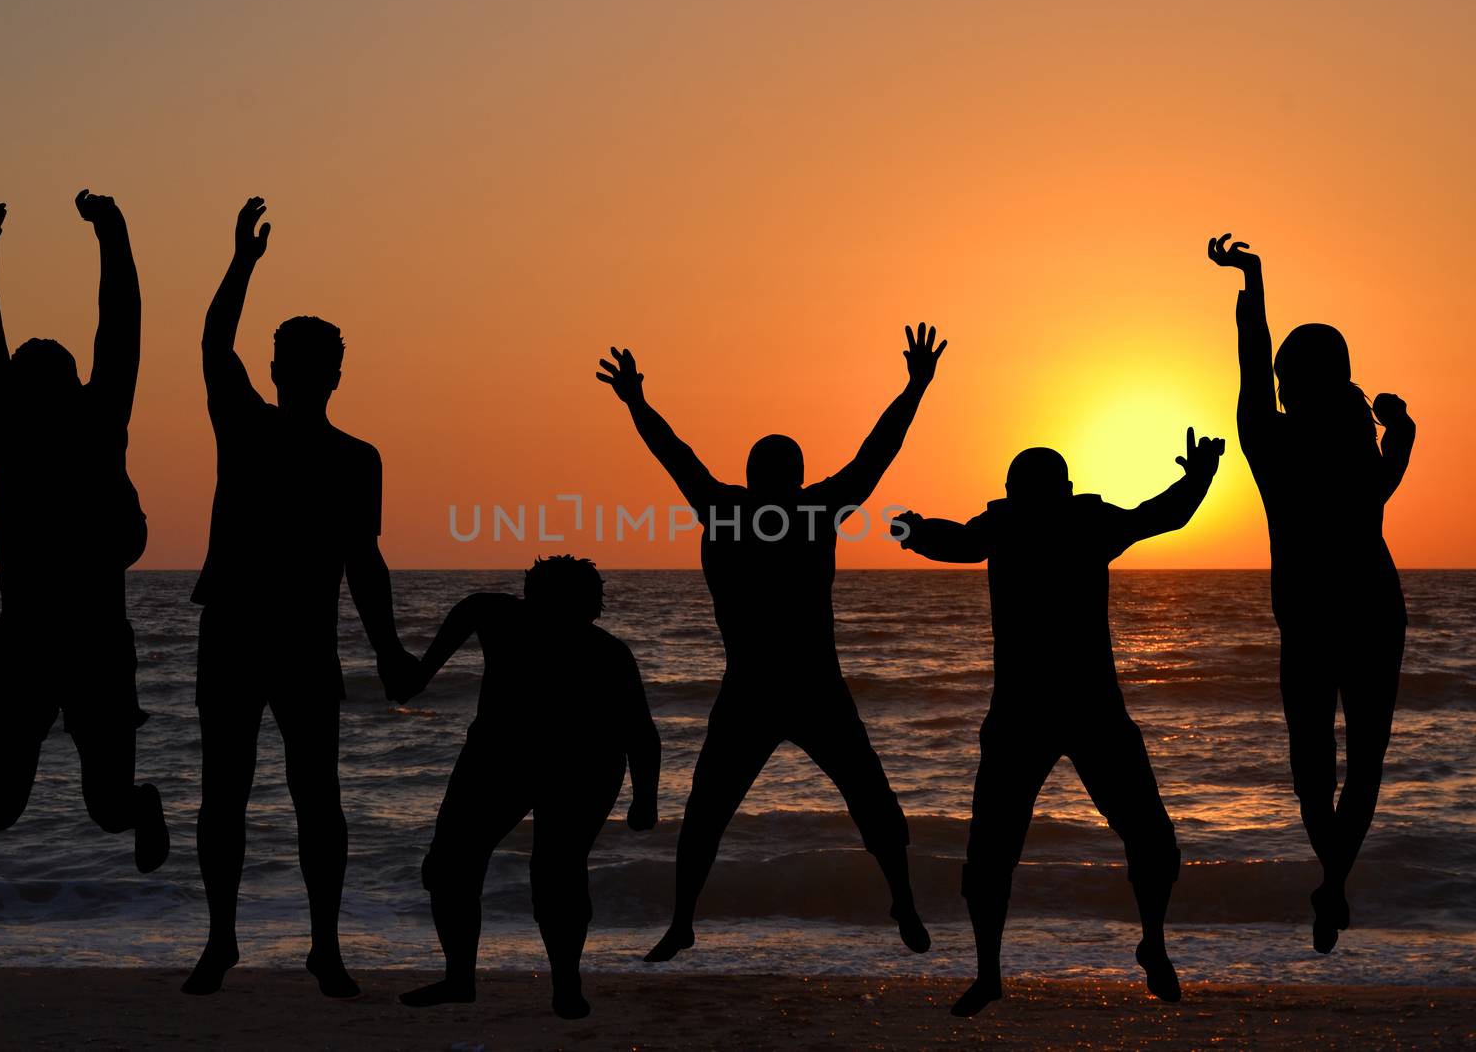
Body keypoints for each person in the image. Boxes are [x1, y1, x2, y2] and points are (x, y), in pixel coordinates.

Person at [596, 324, 945, 964]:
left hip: (802, 688)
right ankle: (683, 923)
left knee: (866, 802)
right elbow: (873, 454)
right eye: (779, 470)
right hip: (766, 689)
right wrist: (914, 386)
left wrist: (637, 402)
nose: (784, 480)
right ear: (770, 474)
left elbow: (873, 455)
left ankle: (901, 899)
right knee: (710, 811)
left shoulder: (739, 509)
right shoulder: (770, 509)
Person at [894, 431, 1225, 1016]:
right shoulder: (1069, 524)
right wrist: (1199, 475)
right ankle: (1006, 970)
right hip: (1053, 713)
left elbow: (954, 541)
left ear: (1016, 491)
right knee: (1013, 851)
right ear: (1061, 489)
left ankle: (1145, 945)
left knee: (1131, 841)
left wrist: (911, 530)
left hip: (1068, 712)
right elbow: (1163, 514)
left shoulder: (1034, 525)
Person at [183, 197, 418, 999]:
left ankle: (320, 945)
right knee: (233, 791)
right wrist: (242, 263)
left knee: (312, 795)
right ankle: (225, 940)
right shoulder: (247, 427)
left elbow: (365, 562)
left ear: (324, 375)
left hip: (299, 643)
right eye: (291, 361)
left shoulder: (357, 460)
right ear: (282, 370)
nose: (298, 374)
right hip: (238, 634)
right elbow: (215, 345)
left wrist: (388, 651)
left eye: (307, 364)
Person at [0, 192, 168, 900]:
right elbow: (114, 327)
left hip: (89, 639)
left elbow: (113, 329)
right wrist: (110, 231)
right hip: (35, 640)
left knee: (103, 803)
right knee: (5, 801)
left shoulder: (83, 423)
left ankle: (141, 808)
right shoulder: (20, 429)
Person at [1208, 233, 1415, 953]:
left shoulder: (1269, 439)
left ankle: (1332, 875)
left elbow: (1249, 355)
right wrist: (1406, 431)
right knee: (1365, 762)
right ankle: (1333, 881)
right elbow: (1391, 472)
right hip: (1374, 612)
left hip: (1309, 621)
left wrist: (1253, 283)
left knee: (1311, 765)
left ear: (1285, 381)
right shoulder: (1361, 448)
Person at [397, 556, 661, 1019]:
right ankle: (460, 978)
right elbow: (471, 608)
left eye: (575, 610)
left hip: (583, 766)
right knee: (448, 865)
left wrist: (645, 799)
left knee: (556, 874)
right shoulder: (502, 617)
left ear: (590, 611)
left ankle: (566, 985)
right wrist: (423, 672)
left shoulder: (607, 653)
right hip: (500, 758)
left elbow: (640, 732)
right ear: (531, 599)